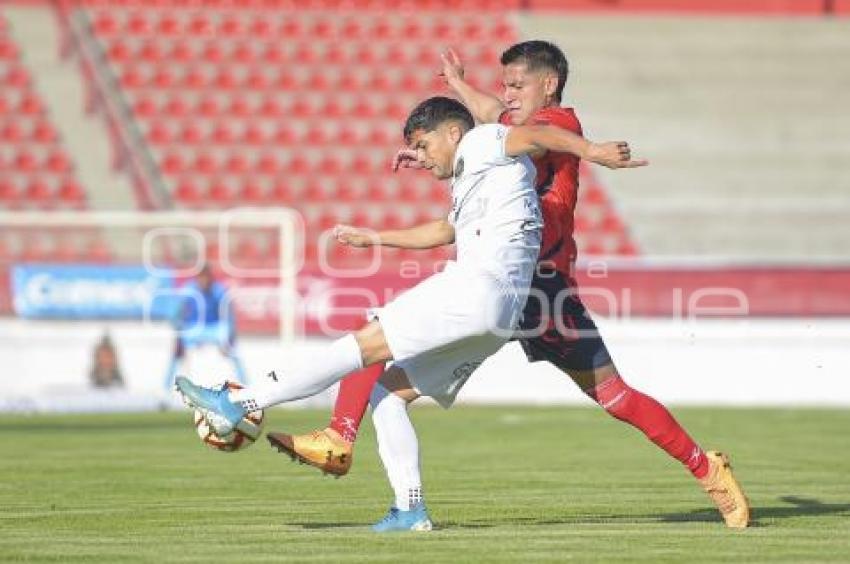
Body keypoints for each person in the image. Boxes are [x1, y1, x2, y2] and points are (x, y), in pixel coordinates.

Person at [268, 41, 750, 530]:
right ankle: (387, 486)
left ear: (550, 85)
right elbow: (489, 118)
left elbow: (515, 128)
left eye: (518, 85)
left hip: (543, 291)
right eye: (505, 86)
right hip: (497, 287)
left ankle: (706, 468)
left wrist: (593, 152)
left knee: (614, 397)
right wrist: (451, 106)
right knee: (387, 377)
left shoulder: (557, 125)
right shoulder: (508, 135)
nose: (507, 95)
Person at [176, 96, 642, 532]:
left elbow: (540, 135)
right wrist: (373, 237)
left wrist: (593, 150)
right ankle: (410, 508)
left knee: (365, 343)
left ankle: (241, 402)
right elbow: (443, 230)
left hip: (476, 288)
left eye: (424, 144)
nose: (421, 155)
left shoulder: (485, 138)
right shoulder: (480, 174)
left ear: (454, 131)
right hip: (502, 314)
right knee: (388, 394)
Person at [164, 264, 247, 391]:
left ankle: (246, 385)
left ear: (210, 278)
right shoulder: (189, 289)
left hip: (213, 328)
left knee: (232, 347)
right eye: (201, 278)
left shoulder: (219, 291)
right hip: (194, 328)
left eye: (206, 278)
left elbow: (228, 315)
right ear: (197, 279)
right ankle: (165, 387)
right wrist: (178, 329)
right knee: (177, 349)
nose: (203, 281)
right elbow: (176, 313)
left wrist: (230, 336)